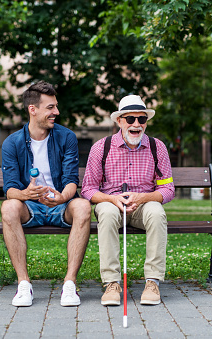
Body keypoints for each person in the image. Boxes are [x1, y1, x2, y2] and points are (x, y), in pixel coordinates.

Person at [1, 80, 91, 308]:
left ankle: (69, 284)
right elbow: (10, 189)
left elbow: (71, 180)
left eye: (56, 106)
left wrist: (62, 197)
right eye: (50, 107)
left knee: (82, 206)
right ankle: (24, 285)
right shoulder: (12, 143)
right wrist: (25, 194)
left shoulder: (66, 137)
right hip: (29, 206)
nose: (56, 112)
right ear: (33, 109)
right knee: (8, 206)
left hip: (61, 204)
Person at [81, 94, 175, 306]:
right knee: (105, 211)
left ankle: (152, 282)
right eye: (130, 119)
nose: (136, 124)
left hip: (144, 204)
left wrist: (143, 197)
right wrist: (112, 199)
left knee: (157, 212)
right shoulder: (101, 147)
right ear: (119, 121)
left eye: (141, 119)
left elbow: (168, 189)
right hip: (112, 203)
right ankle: (111, 283)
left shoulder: (157, 147)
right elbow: (88, 189)